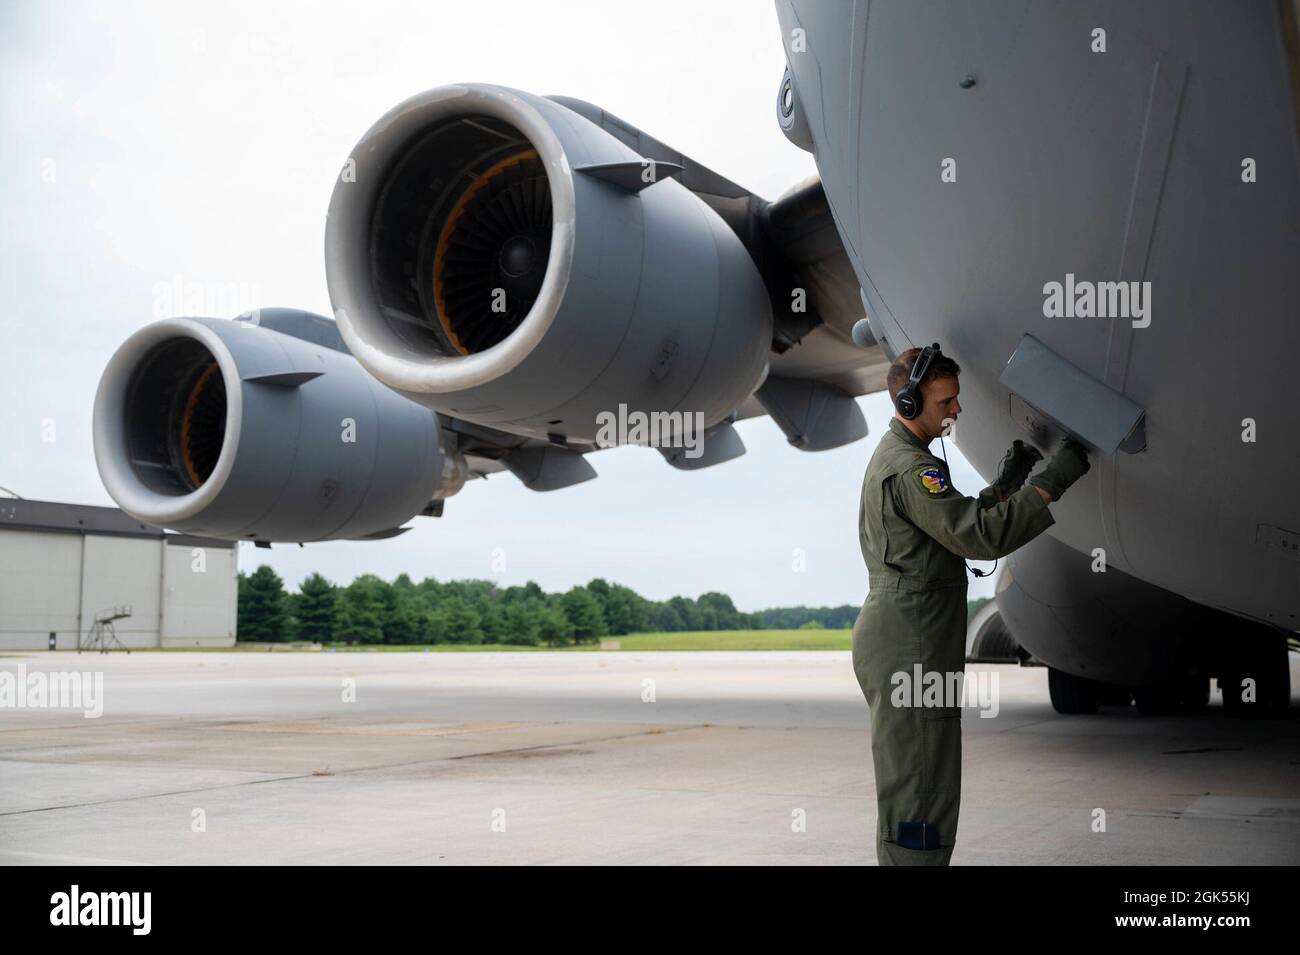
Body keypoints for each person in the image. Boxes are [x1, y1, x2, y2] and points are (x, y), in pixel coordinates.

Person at [853, 343, 1090, 865]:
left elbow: (949, 526)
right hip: (909, 641)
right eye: (946, 403)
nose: (957, 411)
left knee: (925, 773)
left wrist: (1005, 485)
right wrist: (1054, 480)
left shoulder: (910, 460)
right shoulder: (911, 470)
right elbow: (979, 540)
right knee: (920, 786)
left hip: (912, 634)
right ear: (910, 404)